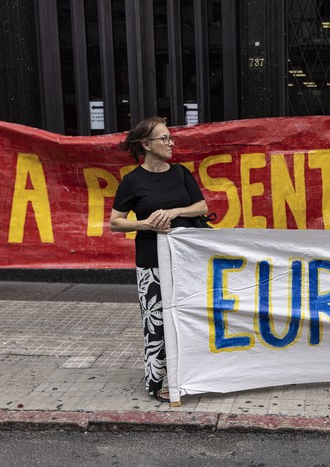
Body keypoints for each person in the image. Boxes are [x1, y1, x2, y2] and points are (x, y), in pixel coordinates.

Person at [109, 117, 208, 403]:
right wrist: (146, 224)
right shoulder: (132, 181)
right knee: (158, 322)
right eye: (164, 139)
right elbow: (116, 222)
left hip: (187, 260)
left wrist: (173, 212)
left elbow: (201, 206)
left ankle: (189, 376)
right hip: (151, 261)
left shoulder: (180, 173)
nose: (170, 143)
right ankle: (159, 381)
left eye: (170, 138)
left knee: (189, 317)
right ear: (145, 144)